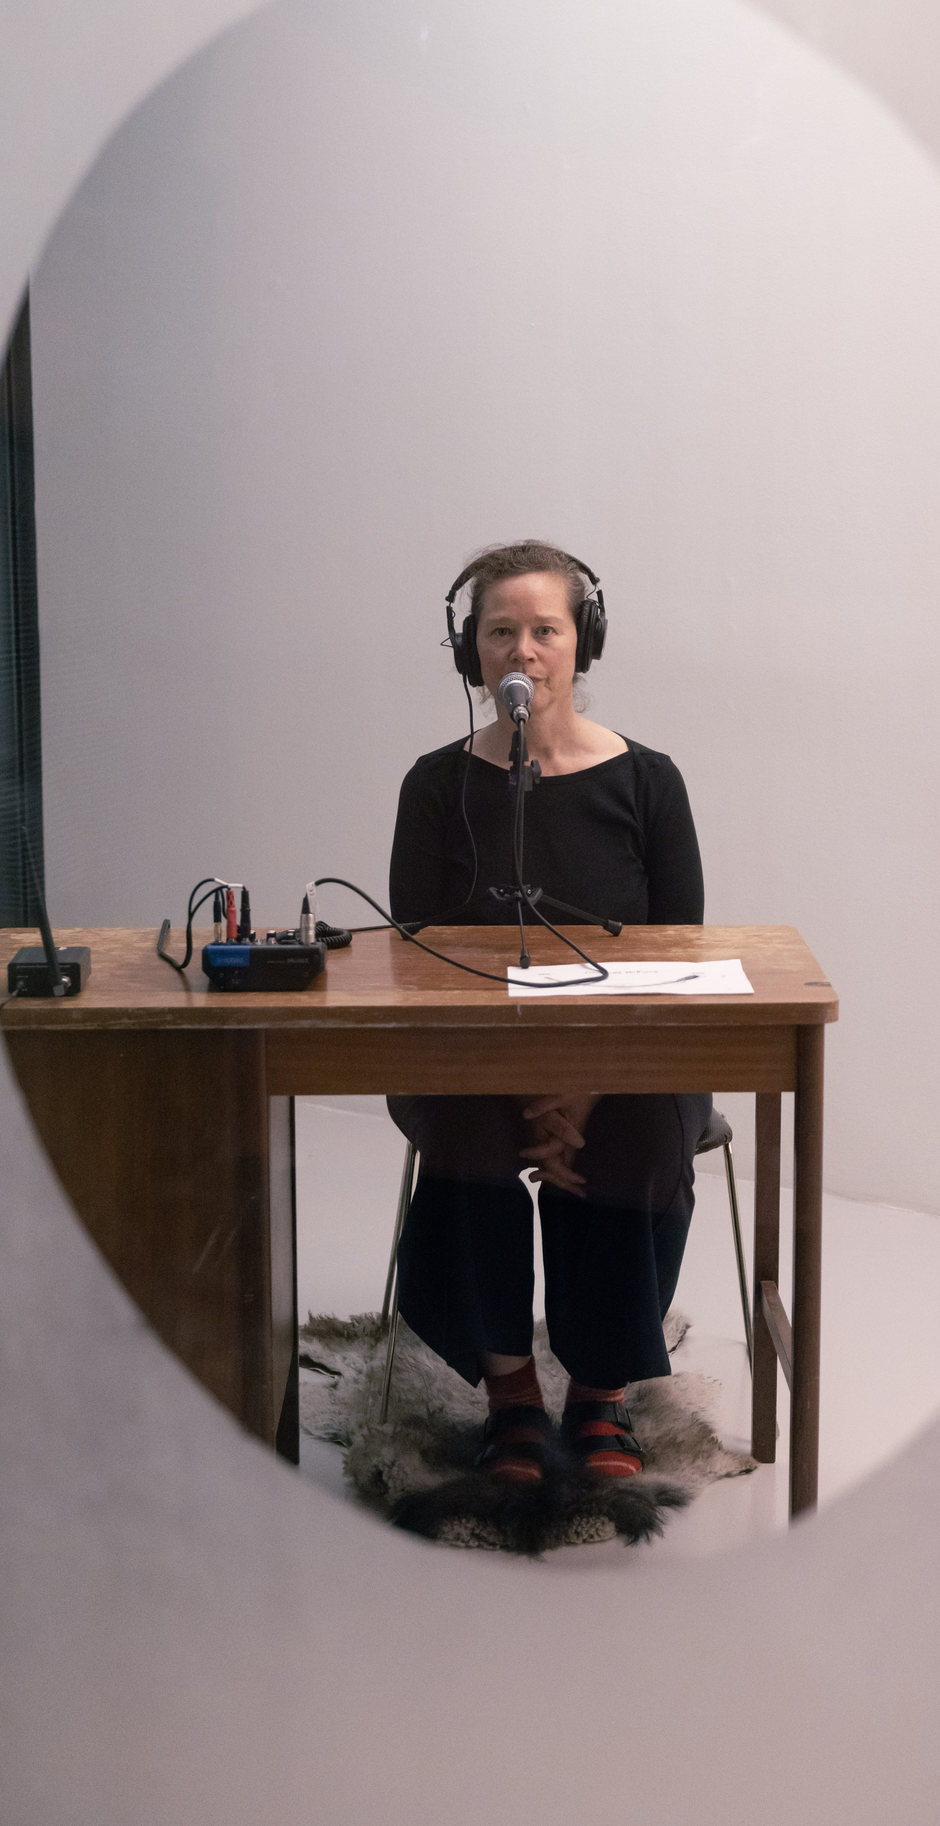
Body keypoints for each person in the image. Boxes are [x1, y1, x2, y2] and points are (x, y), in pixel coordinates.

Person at [387, 539, 712, 1487]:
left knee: (645, 1129)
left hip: (627, 1057)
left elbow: (677, 958)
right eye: (500, 632)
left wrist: (587, 1084)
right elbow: (416, 963)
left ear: (583, 643)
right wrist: (523, 1082)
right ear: (471, 652)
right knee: (466, 1135)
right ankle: (512, 1395)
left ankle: (601, 1392)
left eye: (544, 631)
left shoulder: (649, 782)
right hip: (472, 1059)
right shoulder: (435, 786)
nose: (521, 651)